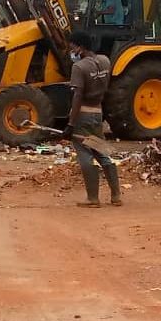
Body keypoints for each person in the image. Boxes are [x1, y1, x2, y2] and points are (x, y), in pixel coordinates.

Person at [62, 31, 122, 208]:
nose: (71, 50)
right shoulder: (105, 61)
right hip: (97, 113)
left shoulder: (79, 68)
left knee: (85, 155)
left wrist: (70, 124)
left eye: (72, 47)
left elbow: (77, 96)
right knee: (102, 151)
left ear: (80, 46)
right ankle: (116, 195)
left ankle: (93, 198)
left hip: (83, 116)